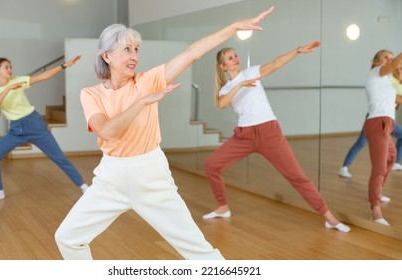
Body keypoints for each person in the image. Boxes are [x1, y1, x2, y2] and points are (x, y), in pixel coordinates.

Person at [54, 7, 275, 260]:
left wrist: (233, 27)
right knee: (68, 238)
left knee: (199, 252)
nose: (134, 55)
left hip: (151, 176)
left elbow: (191, 53)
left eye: (136, 49)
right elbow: (106, 131)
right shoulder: (91, 94)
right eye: (127, 49)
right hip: (110, 179)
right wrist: (142, 102)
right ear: (107, 55)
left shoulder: (148, 80)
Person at [203, 42, 351, 233]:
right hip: (244, 135)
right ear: (223, 67)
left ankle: (329, 217)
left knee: (297, 176)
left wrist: (297, 51)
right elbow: (222, 103)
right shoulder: (226, 89)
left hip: (269, 132)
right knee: (211, 166)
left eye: (235, 55)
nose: (235, 58)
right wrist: (239, 84)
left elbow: (274, 64)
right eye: (230, 58)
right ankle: (223, 207)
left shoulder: (251, 72)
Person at [0, 56, 88, 203]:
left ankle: (83, 187)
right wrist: (8, 88)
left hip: (35, 124)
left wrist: (63, 66)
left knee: (59, 158)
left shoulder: (18, 80)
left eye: (11, 66)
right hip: (16, 130)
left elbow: (43, 76)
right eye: (6, 67)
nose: (10, 70)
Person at [338, 64, 402, 179]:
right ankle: (344, 167)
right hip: (377, 118)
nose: (399, 70)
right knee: (361, 142)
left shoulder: (397, 82)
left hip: (388, 119)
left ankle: (396, 163)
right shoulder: (389, 79)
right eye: (398, 68)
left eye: (401, 68)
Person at [363, 50, 402, 226]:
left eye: (392, 57)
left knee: (391, 157)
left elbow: (398, 98)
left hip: (386, 124)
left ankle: (377, 193)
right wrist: (395, 65)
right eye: (386, 57)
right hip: (378, 124)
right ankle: (375, 209)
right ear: (376, 61)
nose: (390, 60)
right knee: (379, 167)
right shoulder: (375, 73)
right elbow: (394, 65)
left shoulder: (385, 81)